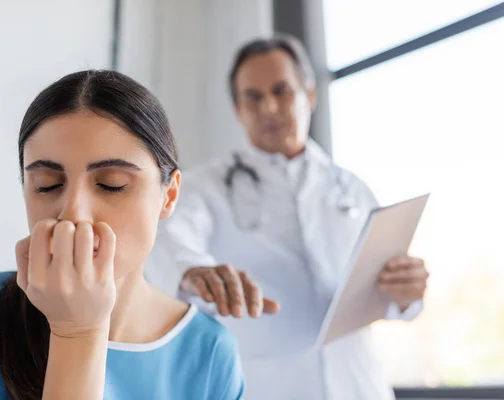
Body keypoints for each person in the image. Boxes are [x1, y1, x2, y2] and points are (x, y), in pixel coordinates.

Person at [0, 70, 244, 400]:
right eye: (48, 185)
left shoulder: (209, 354)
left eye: (111, 184)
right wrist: (76, 332)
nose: (73, 213)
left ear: (168, 196)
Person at [146, 35, 430, 399]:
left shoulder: (351, 189)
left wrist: (407, 293)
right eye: (253, 96)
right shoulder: (209, 187)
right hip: (268, 386)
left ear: (309, 95)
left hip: (360, 383)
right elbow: (167, 236)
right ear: (237, 109)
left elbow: (391, 292)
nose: (268, 107)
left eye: (282, 91)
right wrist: (193, 270)